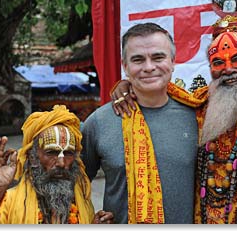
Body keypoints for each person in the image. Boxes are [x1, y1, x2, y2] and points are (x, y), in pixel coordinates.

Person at [111, 15, 237, 224]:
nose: (229, 69)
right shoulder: (199, 109)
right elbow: (158, 90)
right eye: (218, 62)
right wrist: (127, 86)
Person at [82, 23, 200, 223]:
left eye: (158, 57)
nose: (149, 67)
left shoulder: (197, 117)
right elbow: (72, 183)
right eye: (138, 59)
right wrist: (85, 222)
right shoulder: (100, 122)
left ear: (173, 61)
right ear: (125, 66)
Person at [0, 105, 113, 224]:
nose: (61, 163)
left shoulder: (80, 199)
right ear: (32, 157)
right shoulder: (10, 201)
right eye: (51, 152)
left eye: (68, 153)